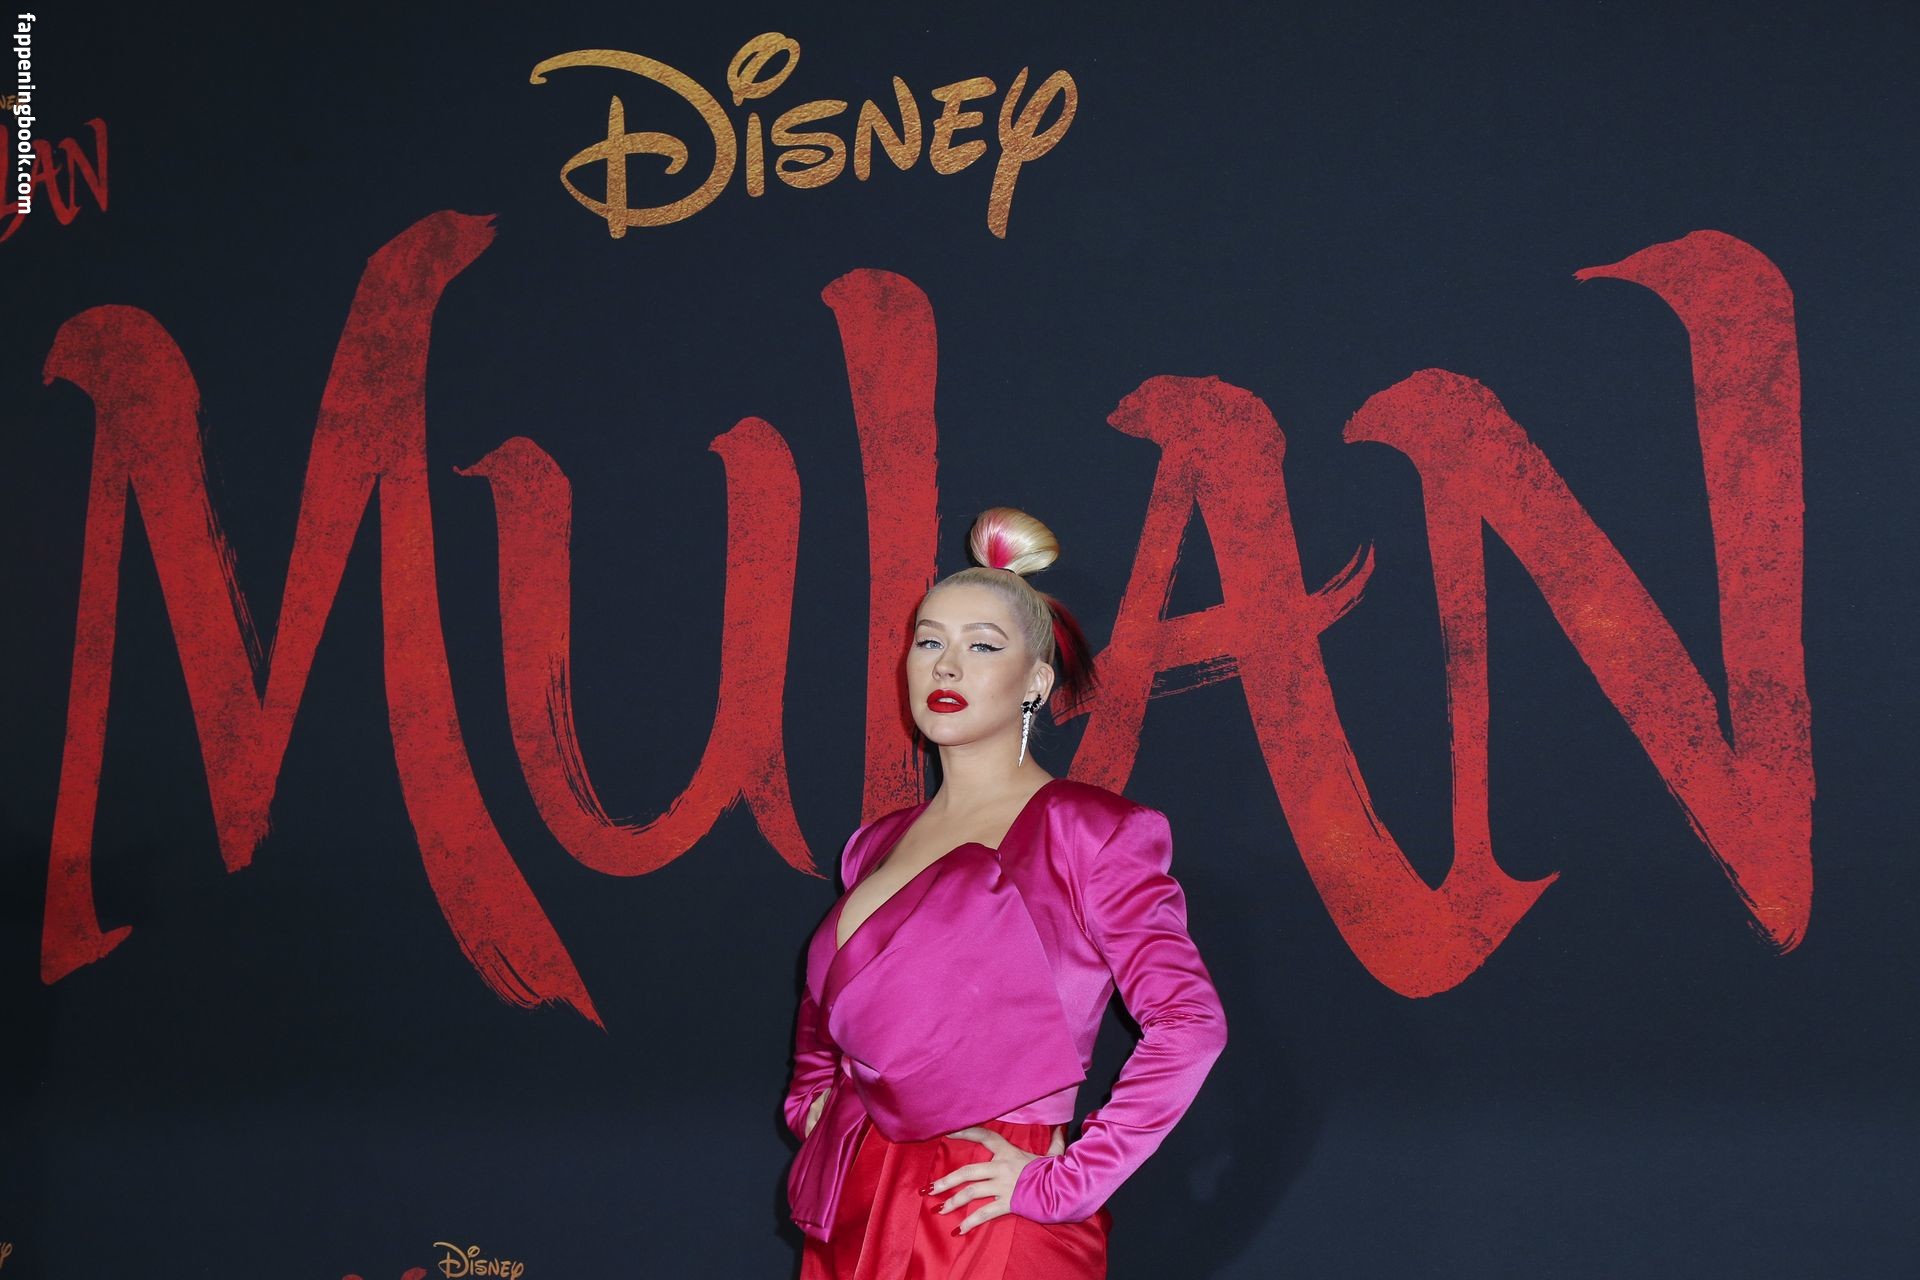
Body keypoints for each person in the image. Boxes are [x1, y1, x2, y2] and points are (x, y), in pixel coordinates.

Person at [782, 506, 1228, 1278]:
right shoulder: (875, 844)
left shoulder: (1090, 831)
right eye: (929, 641)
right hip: (853, 1199)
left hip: (987, 1214)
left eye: (982, 645)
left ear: (1037, 681)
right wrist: (814, 1100)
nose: (946, 667)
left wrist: (1070, 1180)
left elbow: (1189, 1023)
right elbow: (827, 1014)